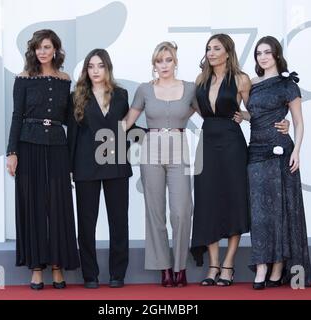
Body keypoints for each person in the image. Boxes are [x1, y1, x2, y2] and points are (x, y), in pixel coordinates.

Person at [190, 34, 290, 287]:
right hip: (207, 145)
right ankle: (213, 266)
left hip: (233, 145)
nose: (211, 53)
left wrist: (283, 121)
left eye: (216, 48)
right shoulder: (200, 81)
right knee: (207, 203)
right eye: (208, 48)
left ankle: (228, 265)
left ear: (228, 52)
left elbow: (256, 112)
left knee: (234, 200)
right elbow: (188, 110)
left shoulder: (241, 79)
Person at [6, 29, 80, 290]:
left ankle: (58, 266)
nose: (42, 51)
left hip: (58, 146)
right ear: (33, 51)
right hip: (28, 146)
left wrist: (73, 159)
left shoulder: (64, 79)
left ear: (56, 50)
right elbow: (17, 116)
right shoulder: (23, 78)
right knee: (34, 204)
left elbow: (71, 120)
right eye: (38, 47)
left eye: (47, 47)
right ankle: (37, 268)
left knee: (59, 205)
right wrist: (11, 152)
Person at [122, 42, 197, 287]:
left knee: (181, 211)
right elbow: (127, 122)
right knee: (155, 212)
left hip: (179, 150)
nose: (163, 65)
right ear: (153, 65)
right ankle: (164, 268)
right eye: (158, 61)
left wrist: (242, 116)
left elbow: (212, 115)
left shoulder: (190, 89)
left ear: (175, 62)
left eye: (168, 60)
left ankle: (180, 266)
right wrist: (97, 136)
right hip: (151, 151)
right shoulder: (144, 90)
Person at [241, 36, 311, 289]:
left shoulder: (287, 84)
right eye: (259, 53)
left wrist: (298, 150)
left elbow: (299, 120)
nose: (263, 57)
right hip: (256, 151)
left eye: (267, 52)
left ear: (276, 55)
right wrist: (243, 116)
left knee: (280, 210)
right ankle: (261, 266)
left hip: (282, 151)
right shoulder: (251, 83)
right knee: (259, 213)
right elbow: (256, 115)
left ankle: (278, 268)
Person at [68, 49, 132, 289]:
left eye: (100, 66)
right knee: (86, 223)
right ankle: (90, 275)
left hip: (116, 165)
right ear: (86, 70)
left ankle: (118, 273)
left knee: (119, 221)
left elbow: (125, 131)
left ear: (108, 68)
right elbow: (72, 135)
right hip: (86, 166)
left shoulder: (122, 95)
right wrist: (69, 168)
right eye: (91, 66)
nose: (95, 71)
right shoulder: (77, 97)